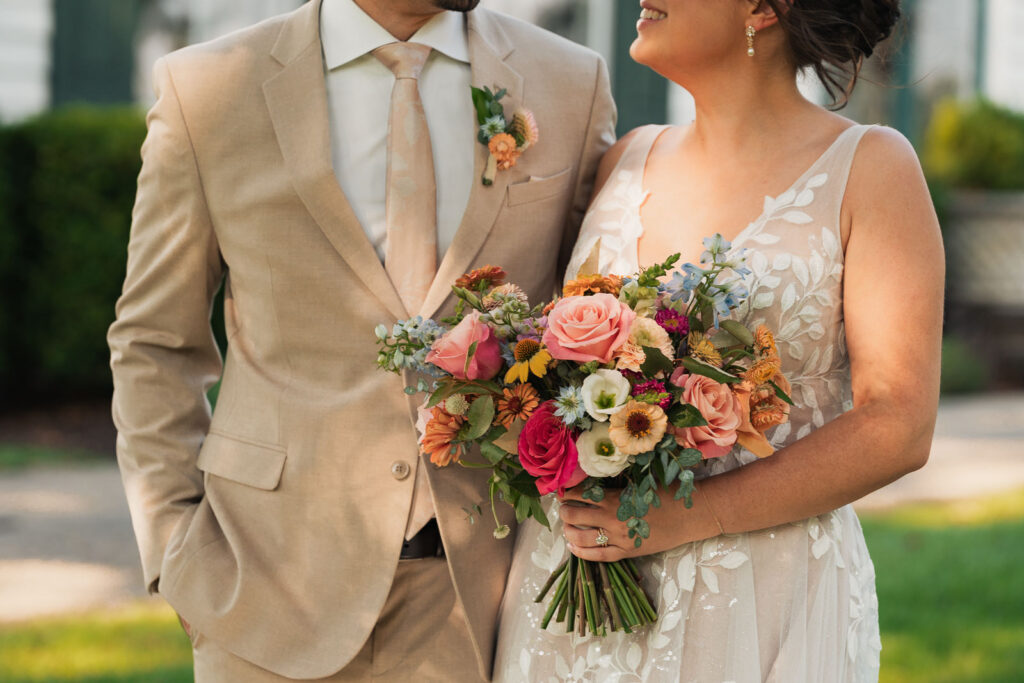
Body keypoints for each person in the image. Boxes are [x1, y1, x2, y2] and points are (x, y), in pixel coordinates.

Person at [107, 0, 615, 679]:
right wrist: (175, 549)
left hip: (484, 598)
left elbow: (589, 317)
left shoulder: (569, 82)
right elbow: (153, 341)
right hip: (265, 590)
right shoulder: (206, 91)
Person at [494, 0, 942, 680]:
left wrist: (687, 515)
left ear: (763, 7)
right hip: (575, 592)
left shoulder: (872, 168)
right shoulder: (624, 158)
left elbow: (897, 422)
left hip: (761, 594)